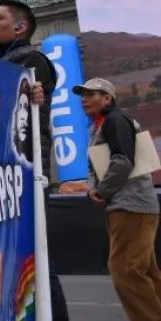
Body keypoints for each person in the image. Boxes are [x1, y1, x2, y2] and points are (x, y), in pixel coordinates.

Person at [0, 0, 69, 320]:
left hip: (27, 175)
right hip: (7, 177)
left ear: (19, 27)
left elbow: (40, 86)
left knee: (40, 259)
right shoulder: (3, 61)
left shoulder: (30, 59)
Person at [77, 77, 161, 320]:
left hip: (131, 207)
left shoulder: (115, 120)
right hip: (130, 206)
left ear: (107, 98)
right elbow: (96, 164)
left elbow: (122, 161)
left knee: (126, 271)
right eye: (82, 94)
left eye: (91, 94)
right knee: (144, 271)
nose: (84, 99)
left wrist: (101, 191)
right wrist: (93, 189)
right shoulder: (101, 125)